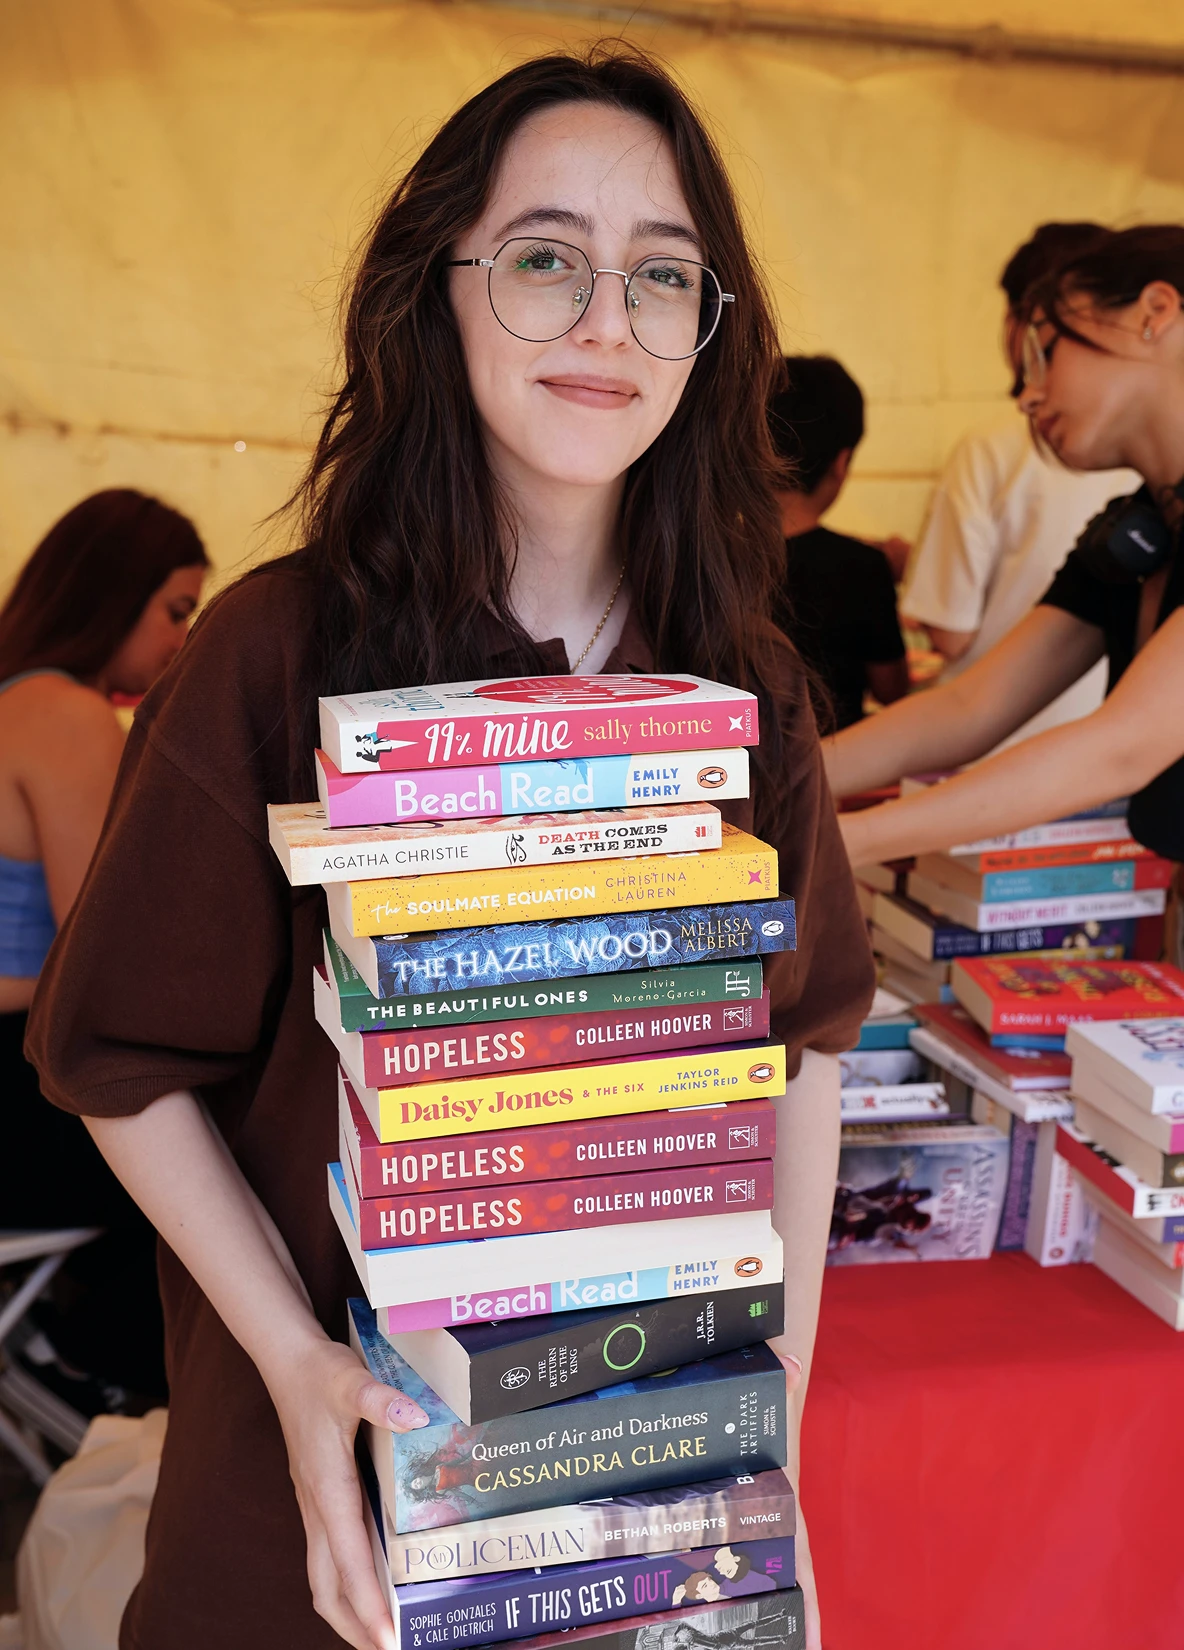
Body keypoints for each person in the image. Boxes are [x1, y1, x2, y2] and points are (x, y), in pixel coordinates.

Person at [26, 47, 874, 1650]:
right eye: (547, 259)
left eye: (665, 275)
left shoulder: (745, 678)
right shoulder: (276, 652)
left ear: (714, 331)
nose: (609, 319)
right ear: (439, 288)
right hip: (333, 1482)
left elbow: (805, 1052)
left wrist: (767, 1444)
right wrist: (290, 1361)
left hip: (639, 1479)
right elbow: (116, 1055)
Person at [828, 225, 1184, 877]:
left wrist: (836, 843)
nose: (1027, 395)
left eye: (1045, 355)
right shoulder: (1132, 534)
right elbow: (972, 705)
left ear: (1154, 314)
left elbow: (1122, 747)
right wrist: (772, 781)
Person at [0, 488, 207, 1404]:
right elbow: (103, 955)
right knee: (216, 1155)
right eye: (176, 611)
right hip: (19, 1084)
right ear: (109, 594)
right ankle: (100, 1363)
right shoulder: (69, 717)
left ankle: (66, 1344)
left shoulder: (13, 700)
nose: (179, 644)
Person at [899, 222, 1138, 744]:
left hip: (999, 758)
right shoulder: (1133, 499)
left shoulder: (990, 448)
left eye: (1045, 348)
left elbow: (951, 634)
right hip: (1068, 762)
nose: (1029, 398)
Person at [768, 356, 908, 730]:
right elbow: (891, 689)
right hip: (841, 765)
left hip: (729, 764)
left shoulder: (709, 557)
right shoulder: (862, 566)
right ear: (841, 462)